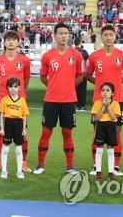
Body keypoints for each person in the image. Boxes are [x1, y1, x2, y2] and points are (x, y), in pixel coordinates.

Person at [34, 22, 85, 175]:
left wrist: (68, 86)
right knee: (46, 132)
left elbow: (81, 76)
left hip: (69, 100)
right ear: (55, 35)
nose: (64, 36)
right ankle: (40, 165)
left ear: (69, 36)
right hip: (51, 100)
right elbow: (43, 76)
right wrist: (53, 86)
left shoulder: (76, 55)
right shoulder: (48, 56)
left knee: (67, 133)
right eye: (61, 33)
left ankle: (70, 166)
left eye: (66, 33)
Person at [86, 25, 123, 176]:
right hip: (98, 100)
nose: (108, 37)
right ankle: (95, 166)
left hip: (117, 100)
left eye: (111, 35)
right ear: (102, 37)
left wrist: (115, 87)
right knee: (96, 131)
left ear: (115, 36)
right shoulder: (94, 56)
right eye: (105, 35)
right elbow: (88, 74)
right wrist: (100, 87)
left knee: (117, 131)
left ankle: (115, 167)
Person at [0, 31, 31, 173]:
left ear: (18, 42)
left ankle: (24, 163)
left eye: (14, 40)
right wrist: (4, 92)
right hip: (2, 101)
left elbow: (26, 80)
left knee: (22, 133)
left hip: (20, 102)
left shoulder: (24, 60)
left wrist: (18, 94)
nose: (11, 42)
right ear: (4, 42)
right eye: (8, 40)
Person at [0, 76, 29, 179]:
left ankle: (19, 171)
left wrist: (24, 129)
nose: (13, 89)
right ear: (7, 88)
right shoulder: (4, 100)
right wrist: (2, 128)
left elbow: (24, 116)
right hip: (8, 123)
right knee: (5, 148)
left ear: (19, 87)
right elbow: (1, 114)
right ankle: (4, 170)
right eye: (11, 86)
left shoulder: (22, 100)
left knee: (18, 149)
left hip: (18, 123)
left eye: (15, 86)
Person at [91, 82, 121, 180]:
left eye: (107, 90)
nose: (105, 92)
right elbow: (97, 118)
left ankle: (110, 172)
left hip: (110, 126)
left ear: (112, 93)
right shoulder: (97, 103)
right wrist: (103, 106)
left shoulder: (116, 104)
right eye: (103, 90)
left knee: (110, 150)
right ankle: (98, 172)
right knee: (99, 149)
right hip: (100, 126)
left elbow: (113, 118)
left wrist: (108, 106)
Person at [74, 38, 89, 111]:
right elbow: (88, 61)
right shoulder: (84, 52)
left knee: (75, 90)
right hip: (82, 73)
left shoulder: (72, 52)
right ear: (80, 43)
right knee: (82, 90)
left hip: (74, 74)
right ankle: (82, 106)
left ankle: (76, 105)